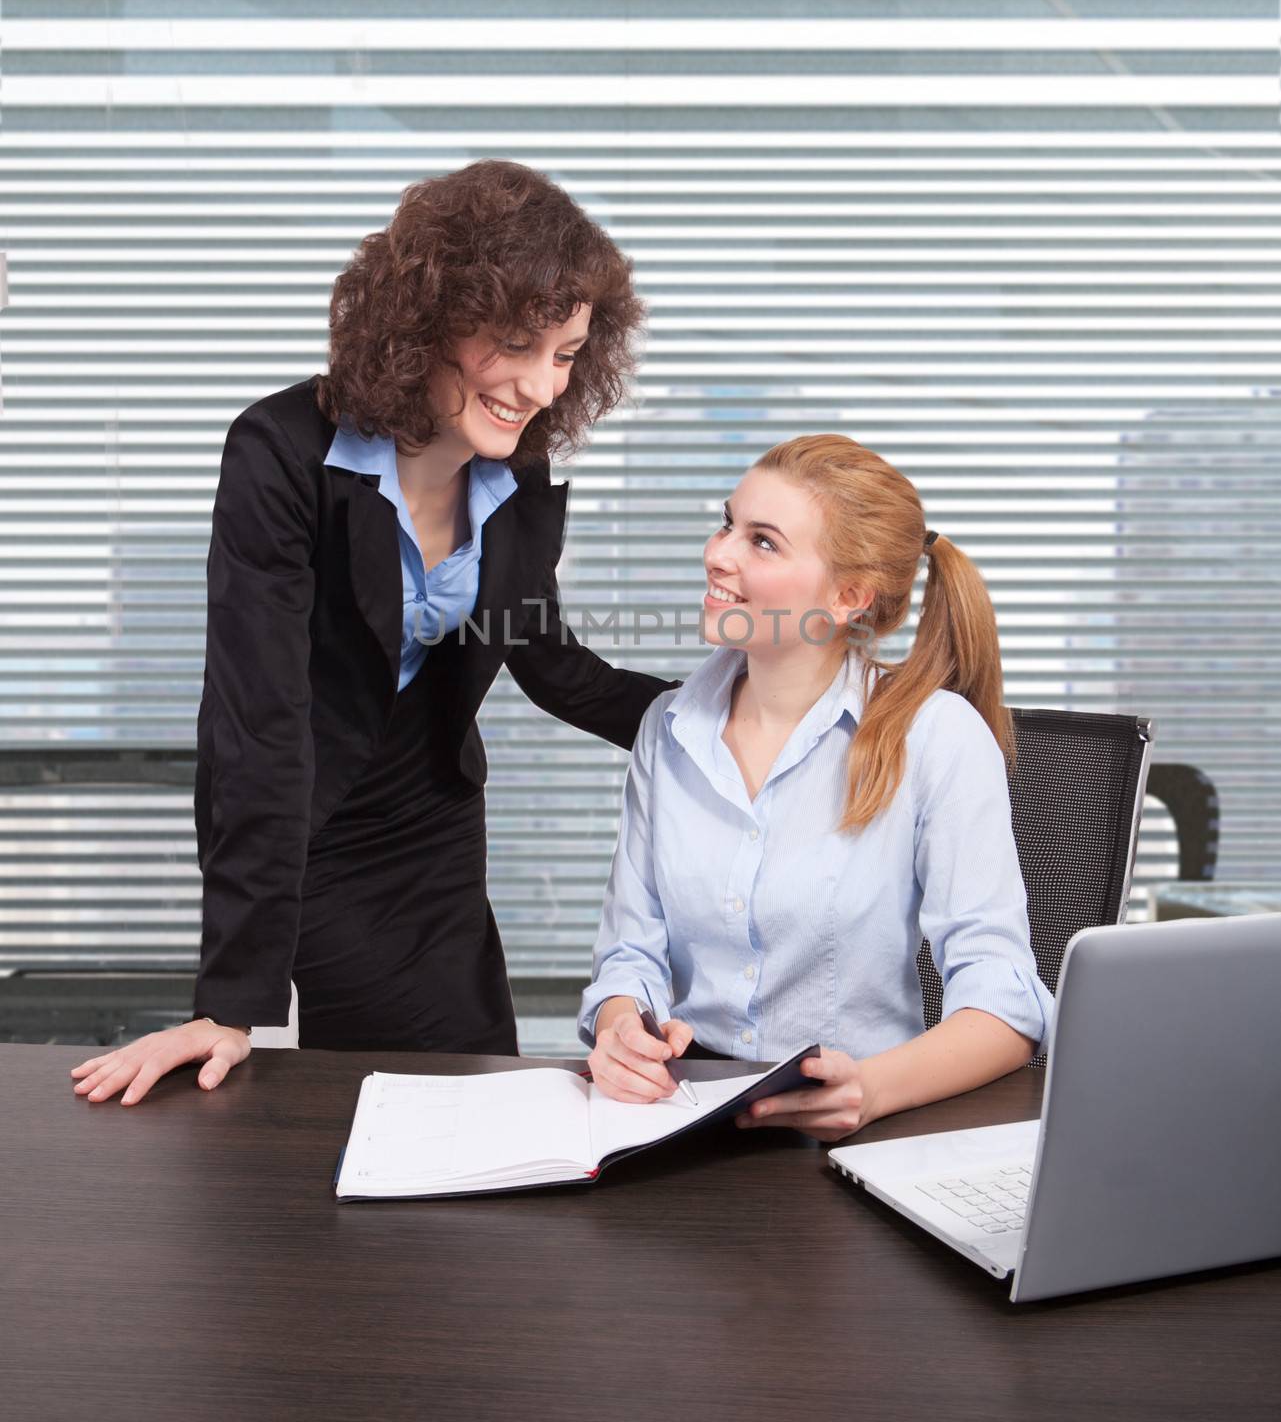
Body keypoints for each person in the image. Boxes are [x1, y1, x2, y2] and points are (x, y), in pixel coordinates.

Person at [71, 159, 677, 1107]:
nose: (538, 386)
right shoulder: (281, 456)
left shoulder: (516, 476)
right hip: (304, 812)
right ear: (427, 317)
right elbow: (260, 724)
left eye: (563, 354)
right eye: (516, 343)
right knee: (346, 1113)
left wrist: (735, 716)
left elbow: (556, 667)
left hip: (428, 817)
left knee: (476, 1085)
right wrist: (229, 1001)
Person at [580, 433, 1054, 1139]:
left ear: (847, 596)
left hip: (862, 1126)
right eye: (726, 523)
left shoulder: (933, 737)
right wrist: (621, 1031)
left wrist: (869, 1089)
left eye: (762, 542)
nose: (718, 553)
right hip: (684, 1120)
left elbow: (1005, 1006)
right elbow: (630, 953)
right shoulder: (669, 728)